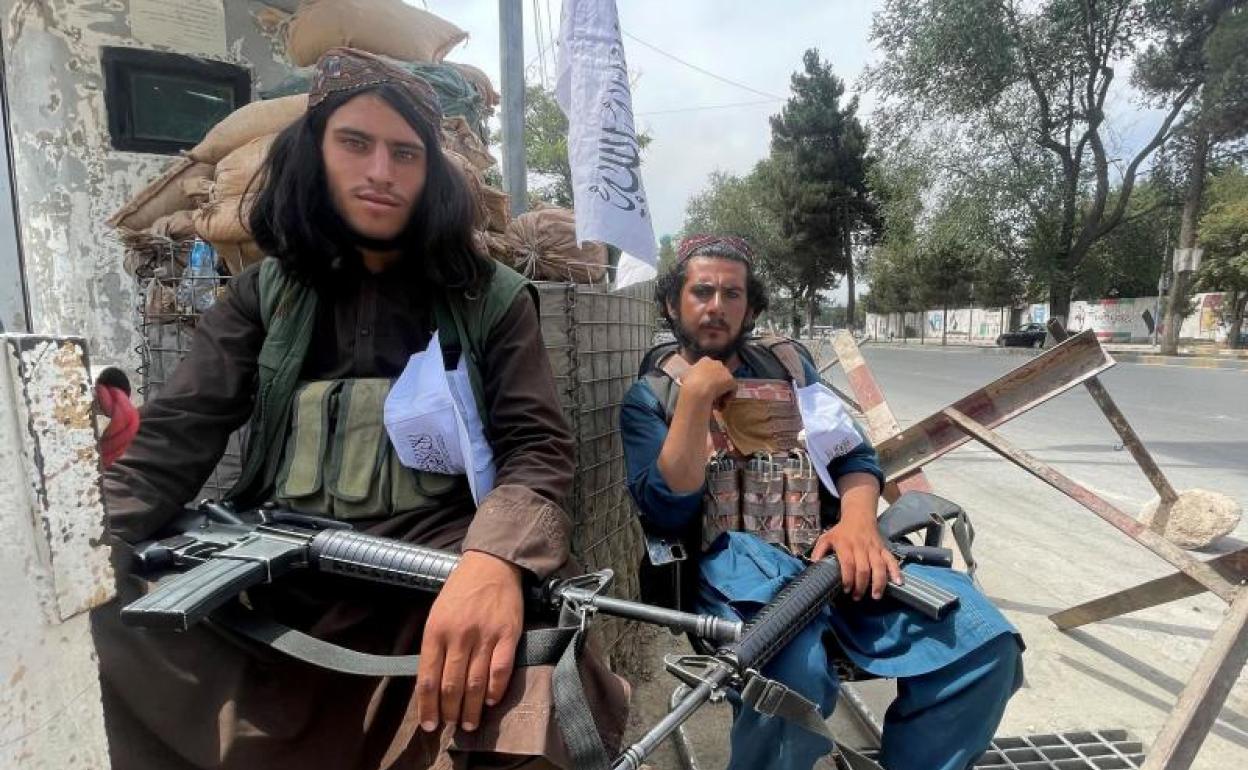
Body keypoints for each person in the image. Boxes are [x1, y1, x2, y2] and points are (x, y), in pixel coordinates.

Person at [92, 48, 626, 770]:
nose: (381, 171)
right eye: (355, 143)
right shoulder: (262, 295)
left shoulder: (490, 297)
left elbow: (536, 450)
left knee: (541, 667)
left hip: (434, 581)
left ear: (431, 172)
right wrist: (79, 553)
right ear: (314, 153)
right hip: (279, 585)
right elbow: (170, 443)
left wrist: (495, 562)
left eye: (405, 153)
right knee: (97, 608)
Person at [620, 234, 1023, 770]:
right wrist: (695, 398)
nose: (716, 306)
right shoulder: (651, 398)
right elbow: (667, 512)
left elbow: (853, 457)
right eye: (701, 291)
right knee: (794, 677)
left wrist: (859, 524)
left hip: (831, 555)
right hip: (734, 577)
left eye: (732, 294)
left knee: (984, 643)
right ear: (673, 304)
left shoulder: (791, 369)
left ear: (751, 307)